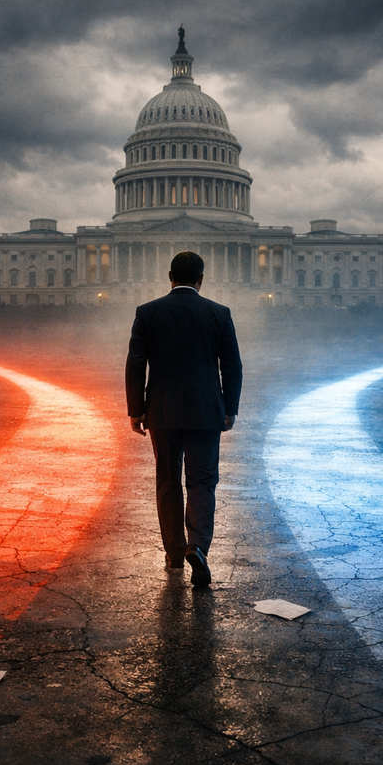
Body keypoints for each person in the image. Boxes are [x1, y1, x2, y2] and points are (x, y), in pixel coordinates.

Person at [125, 251, 242, 587]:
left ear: (169, 276)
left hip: (161, 411)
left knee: (167, 480)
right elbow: (232, 366)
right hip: (206, 411)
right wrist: (229, 408)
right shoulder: (219, 313)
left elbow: (136, 364)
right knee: (202, 482)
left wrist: (136, 409)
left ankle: (175, 552)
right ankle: (198, 547)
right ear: (201, 279)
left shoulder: (148, 312)